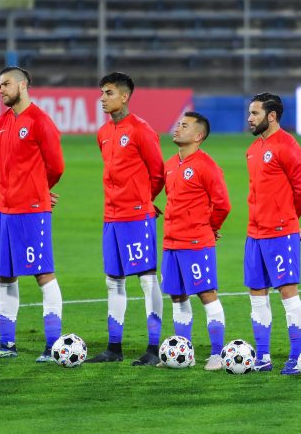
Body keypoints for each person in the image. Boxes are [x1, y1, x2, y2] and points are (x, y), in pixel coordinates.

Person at [86, 72, 165, 365]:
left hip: (136, 217)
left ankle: (154, 349)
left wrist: (144, 201)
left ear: (125, 96)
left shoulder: (141, 130)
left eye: (108, 93)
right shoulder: (103, 132)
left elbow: (158, 173)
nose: (102, 99)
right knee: (114, 282)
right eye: (102, 93)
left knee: (146, 280)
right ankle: (114, 348)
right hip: (112, 218)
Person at [0, 67, 66, 361]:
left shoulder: (40, 121)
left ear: (22, 85)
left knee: (43, 274)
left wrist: (38, 190)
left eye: (6, 84)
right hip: (4, 211)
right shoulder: (1, 123)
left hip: (32, 212)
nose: (0, 89)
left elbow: (56, 166)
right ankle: (7, 344)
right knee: (5, 276)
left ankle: (53, 344)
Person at [244, 92, 301, 374]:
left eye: (255, 114)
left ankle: (295, 357)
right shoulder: (253, 149)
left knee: (287, 291)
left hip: (280, 233)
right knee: (257, 293)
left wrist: (289, 220)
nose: (249, 118)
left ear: (271, 116)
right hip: (254, 234)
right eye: (249, 113)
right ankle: (263, 357)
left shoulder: (288, 146)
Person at [161, 112, 231, 370]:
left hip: (196, 242)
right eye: (178, 123)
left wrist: (210, 228)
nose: (178, 128)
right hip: (171, 242)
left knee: (206, 294)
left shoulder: (206, 165)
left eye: (185, 126)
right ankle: (184, 353)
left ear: (198, 135)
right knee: (177, 296)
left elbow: (223, 204)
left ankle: (217, 354)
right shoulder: (169, 164)